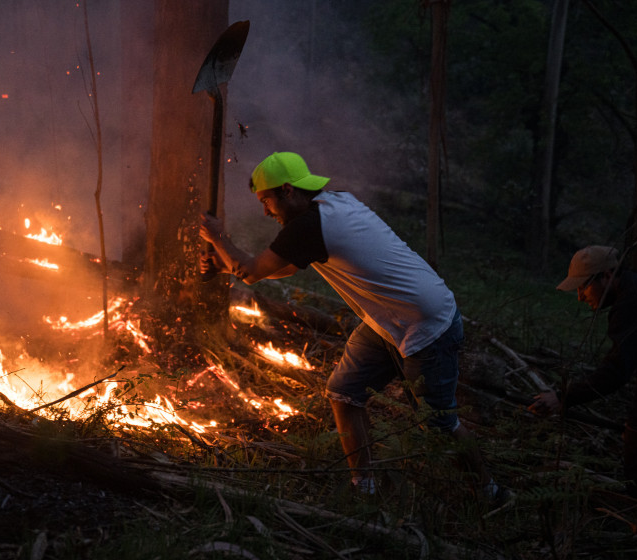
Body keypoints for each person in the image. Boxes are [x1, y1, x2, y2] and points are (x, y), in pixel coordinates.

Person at [198, 151, 509, 505]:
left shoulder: (309, 226)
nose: (265, 211)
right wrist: (225, 267)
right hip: (388, 320)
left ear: (287, 190)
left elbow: (252, 272)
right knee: (343, 393)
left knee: (439, 424)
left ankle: (491, 492)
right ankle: (365, 489)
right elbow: (280, 268)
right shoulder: (334, 203)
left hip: (428, 324)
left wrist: (217, 238)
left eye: (266, 201)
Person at [529, 245, 637, 499]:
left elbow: (617, 370)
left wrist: (563, 397)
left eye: (584, 286)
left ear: (606, 275)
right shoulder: (635, 289)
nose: (580, 296)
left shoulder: (633, 300)